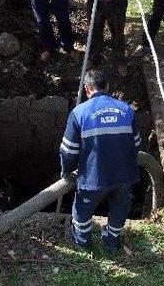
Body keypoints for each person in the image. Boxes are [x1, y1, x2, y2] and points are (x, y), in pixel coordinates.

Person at [60, 69, 141, 252]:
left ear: (87, 89)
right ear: (108, 86)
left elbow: (68, 150)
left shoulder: (79, 113)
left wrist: (67, 171)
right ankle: (111, 241)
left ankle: (82, 241)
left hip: (93, 176)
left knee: (82, 209)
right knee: (120, 206)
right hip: (124, 175)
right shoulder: (126, 109)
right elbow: (136, 143)